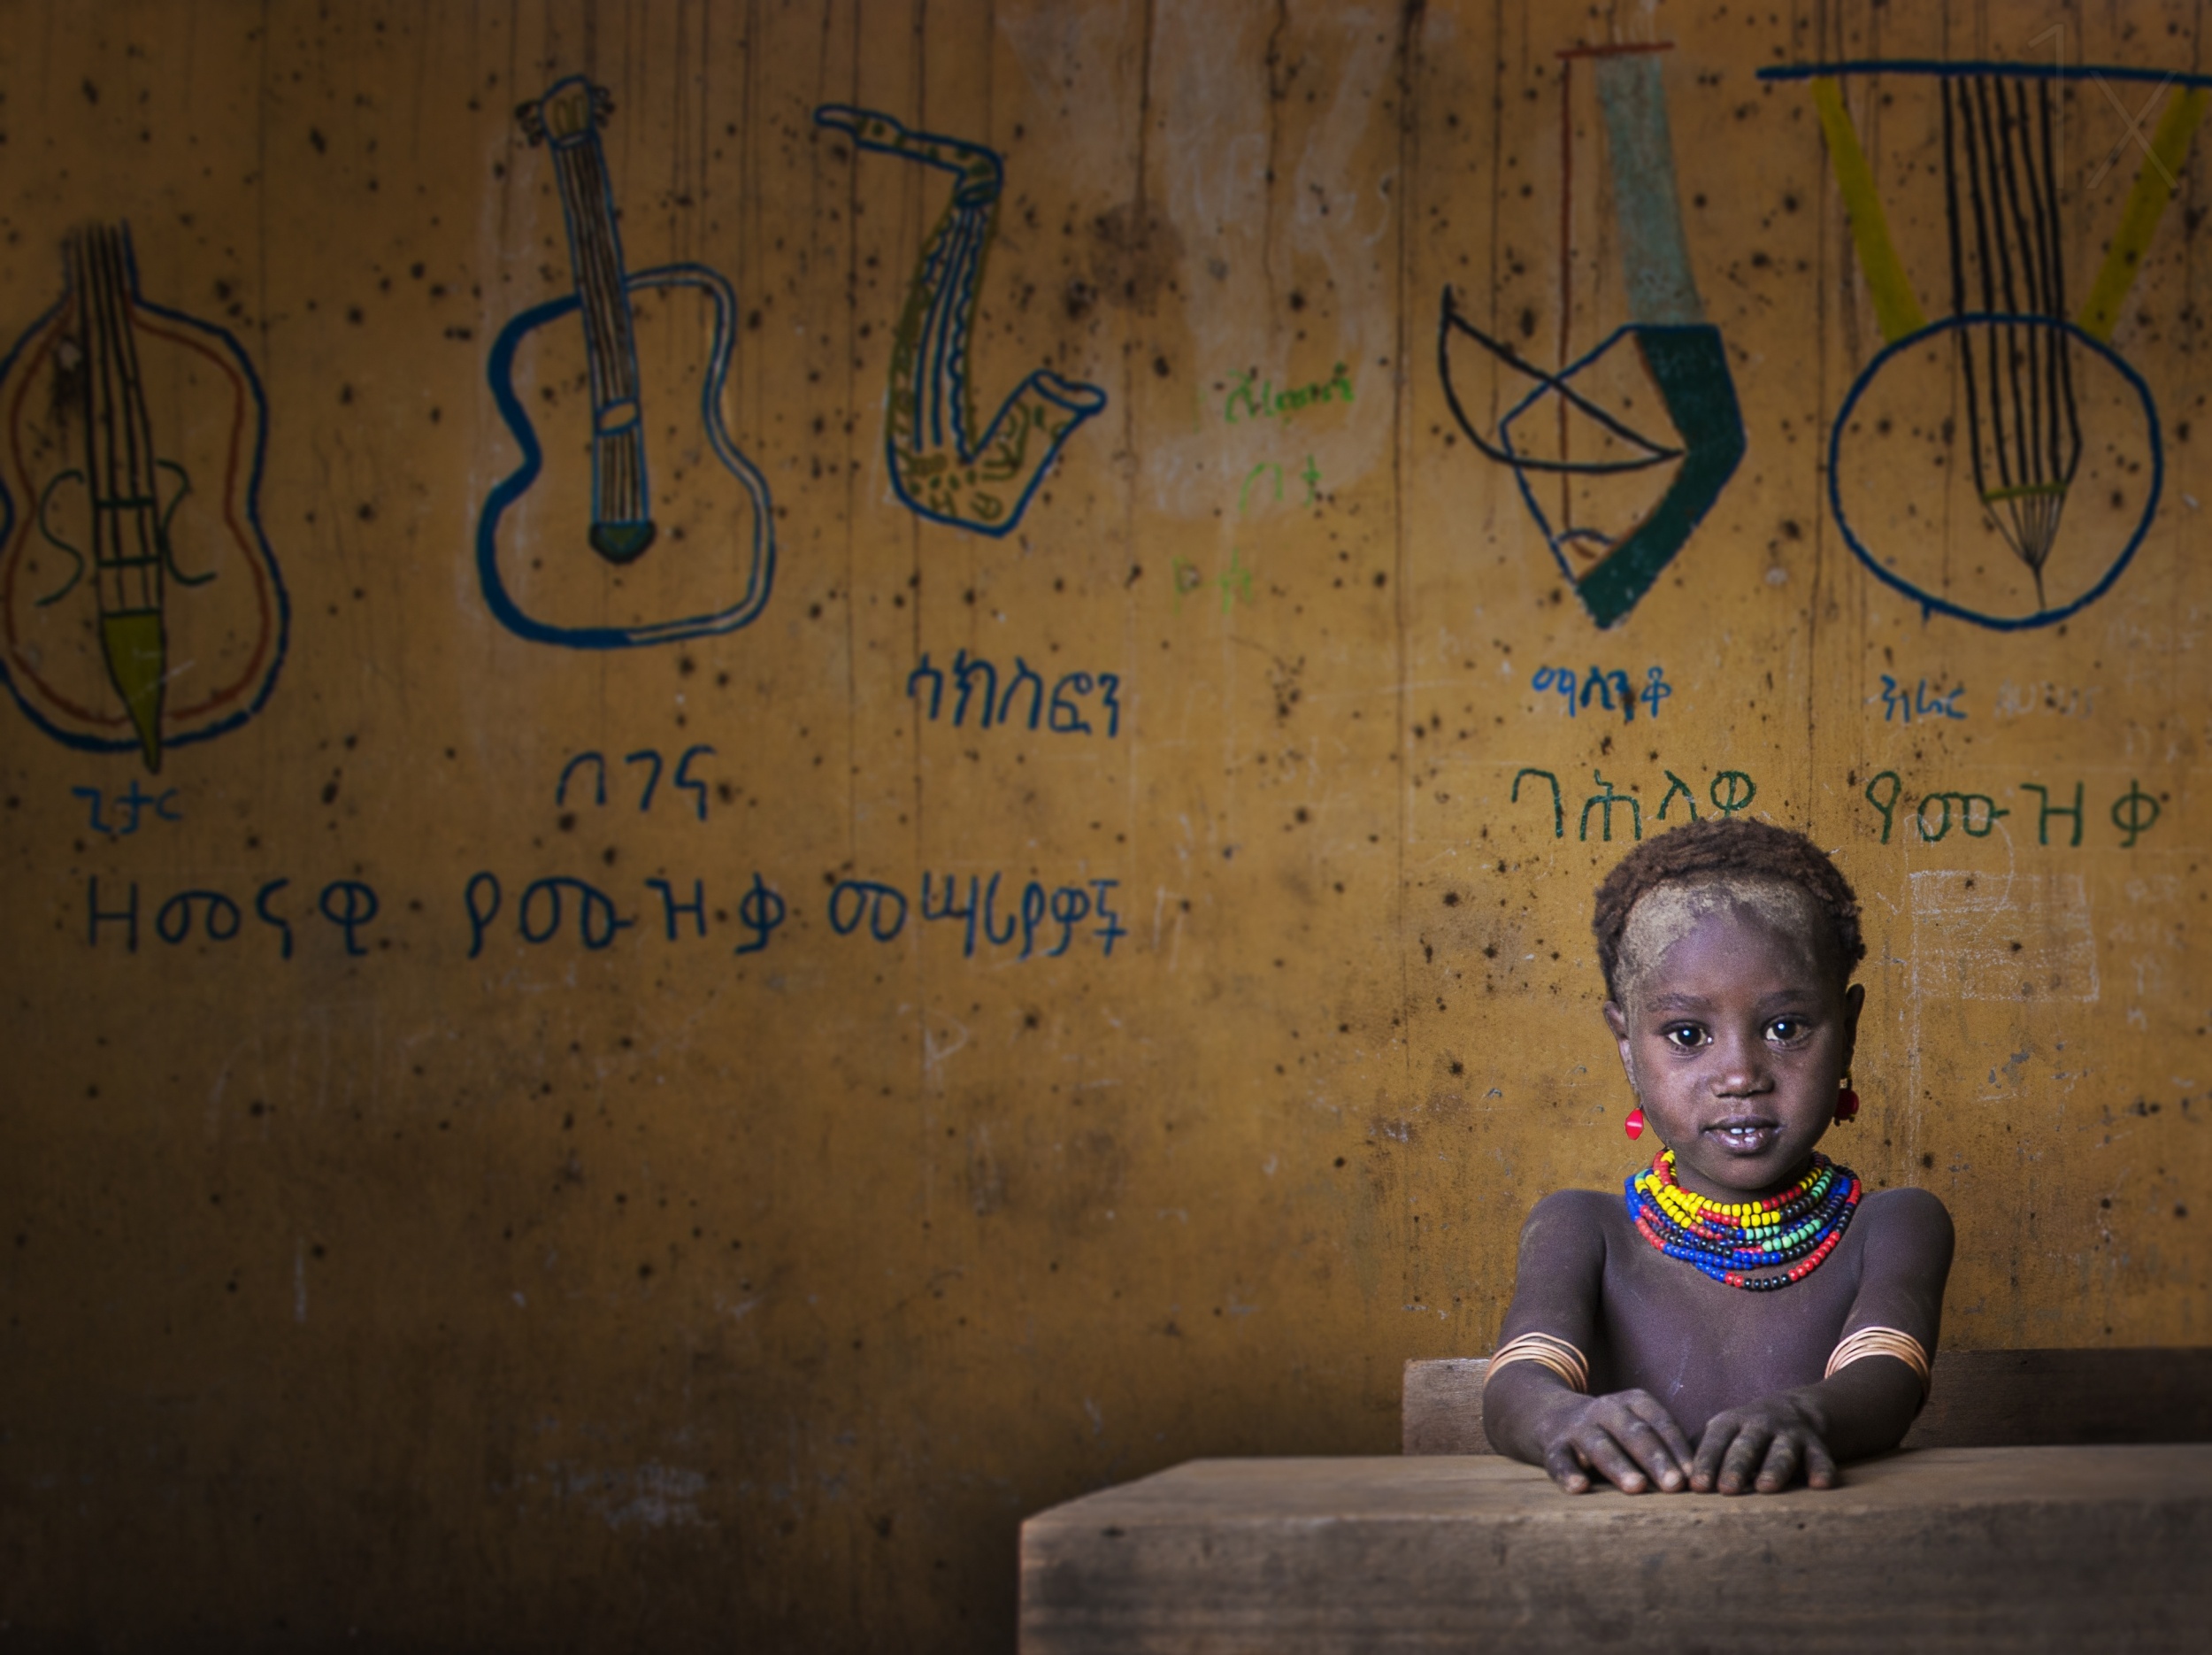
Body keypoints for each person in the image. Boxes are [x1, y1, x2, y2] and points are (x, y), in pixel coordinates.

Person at [1481, 818, 1954, 1495]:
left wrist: (1803, 1415)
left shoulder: (1894, 1224)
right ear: (1626, 1047)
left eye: (1785, 1028)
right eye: (1686, 1035)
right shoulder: (1581, 1227)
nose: (1740, 1075)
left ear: (1848, 1031)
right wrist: (1561, 1418)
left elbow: (1886, 1378)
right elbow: (1517, 1384)